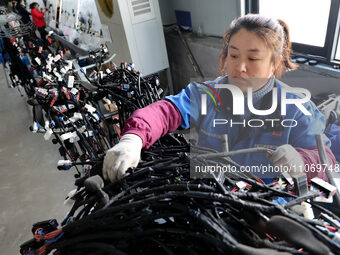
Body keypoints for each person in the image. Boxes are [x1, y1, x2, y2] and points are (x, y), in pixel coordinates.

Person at [103, 14, 336, 183]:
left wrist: (302, 160)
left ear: (274, 64)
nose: (240, 67)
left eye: (253, 59)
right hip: (213, 197)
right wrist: (133, 138)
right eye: (233, 55)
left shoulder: (296, 108)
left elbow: (327, 162)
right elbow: (166, 111)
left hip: (269, 208)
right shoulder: (207, 94)